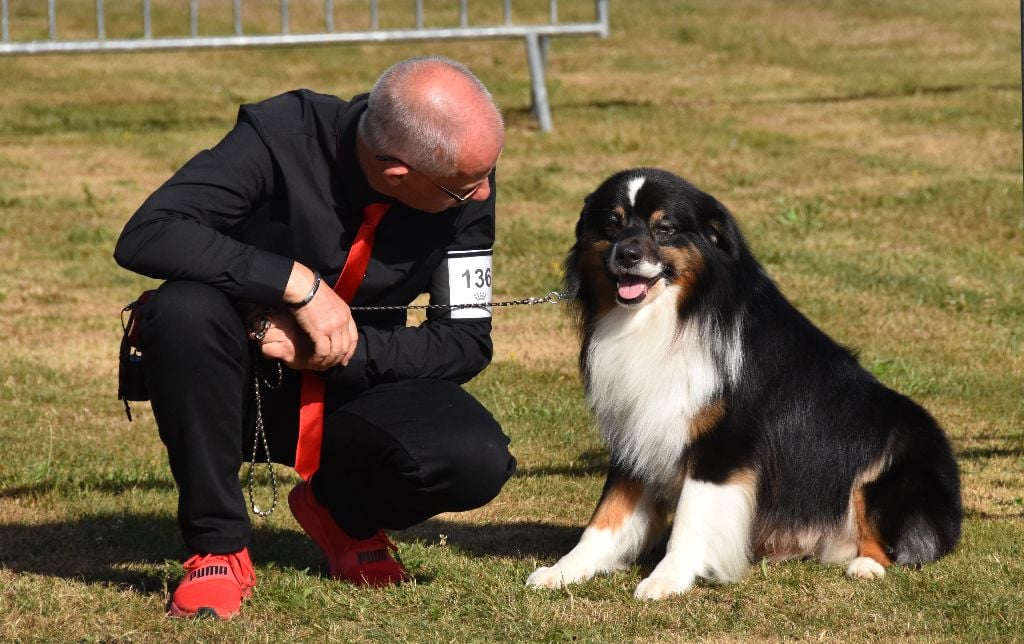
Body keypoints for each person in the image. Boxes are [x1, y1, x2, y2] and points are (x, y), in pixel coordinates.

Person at [113, 55, 516, 620]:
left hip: (356, 387)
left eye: (485, 177)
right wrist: (296, 283)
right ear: (397, 172)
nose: (479, 196)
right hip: (235, 383)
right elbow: (148, 233)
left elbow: (465, 340)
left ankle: (341, 511)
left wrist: (338, 352)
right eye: (462, 189)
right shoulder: (279, 136)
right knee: (182, 310)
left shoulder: (465, 180)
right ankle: (218, 545)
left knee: (473, 458)